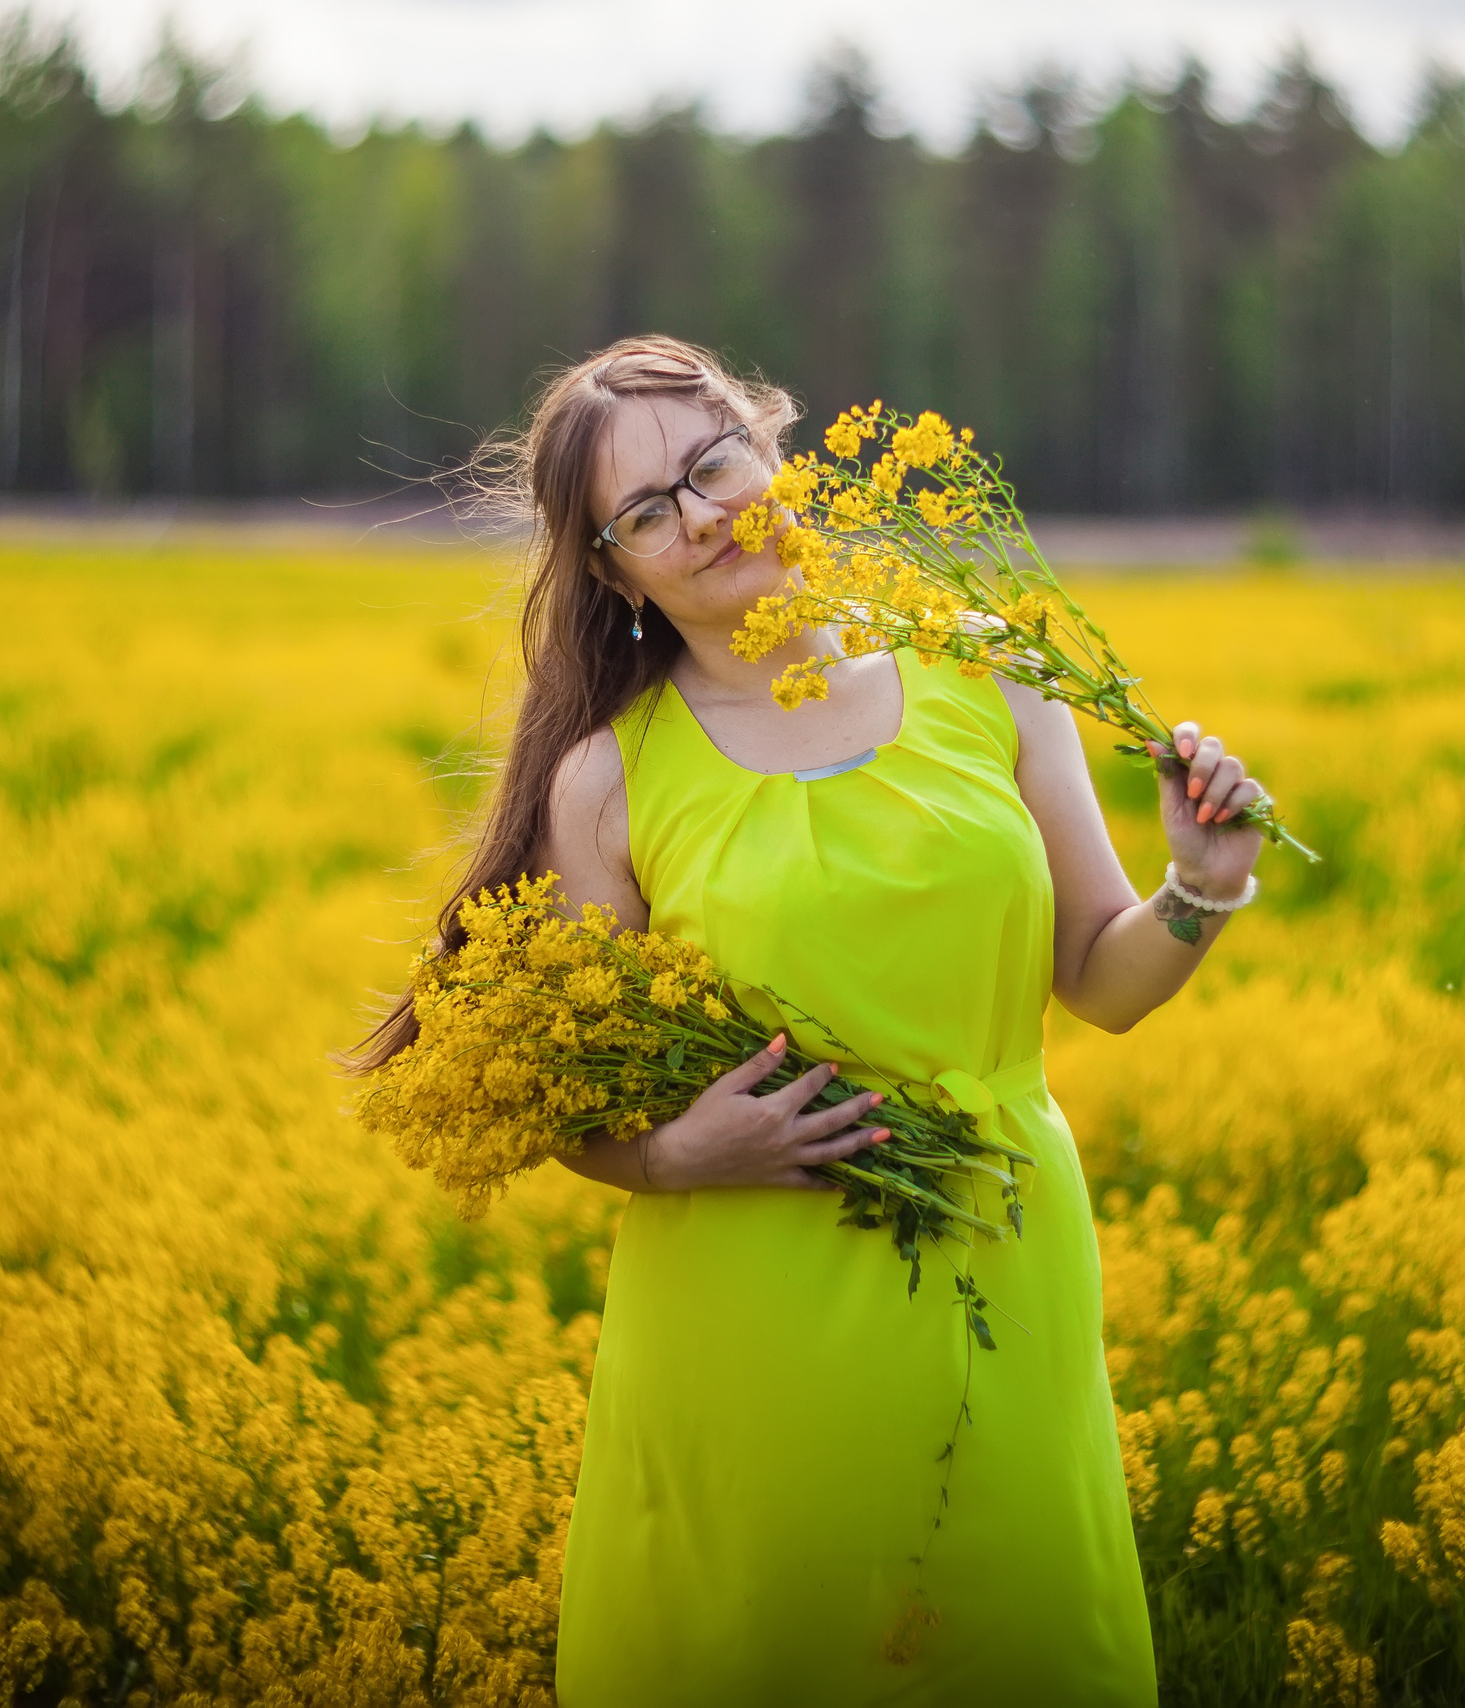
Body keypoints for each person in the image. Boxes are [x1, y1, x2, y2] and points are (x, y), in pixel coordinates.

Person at [352, 336, 1266, 1705]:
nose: (704, 516)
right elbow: (549, 1099)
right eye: (647, 513)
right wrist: (671, 1159)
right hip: (747, 1302)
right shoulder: (610, 783)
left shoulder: (988, 669)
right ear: (614, 573)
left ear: (771, 445)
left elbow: (1100, 976)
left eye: (712, 464)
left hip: (1001, 1253)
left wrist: (1199, 889)